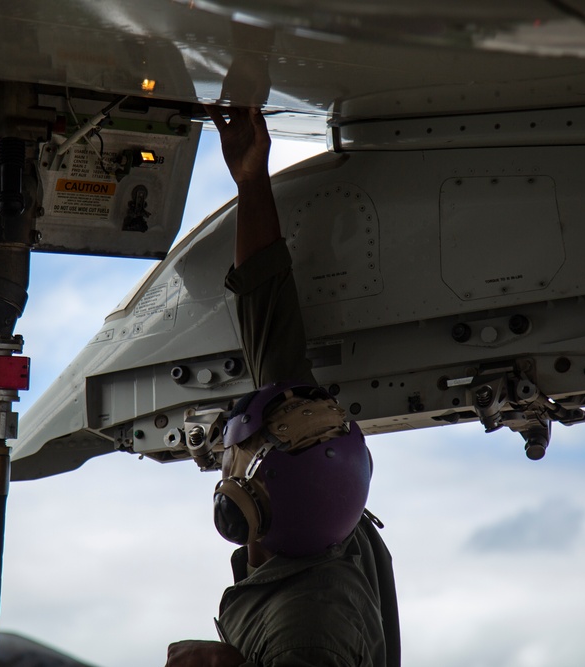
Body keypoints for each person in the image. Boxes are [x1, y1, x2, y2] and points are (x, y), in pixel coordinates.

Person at [165, 107, 400, 667]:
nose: (228, 456)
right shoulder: (323, 517)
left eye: (236, 457)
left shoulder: (308, 633)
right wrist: (251, 180)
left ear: (246, 505)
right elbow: (268, 307)